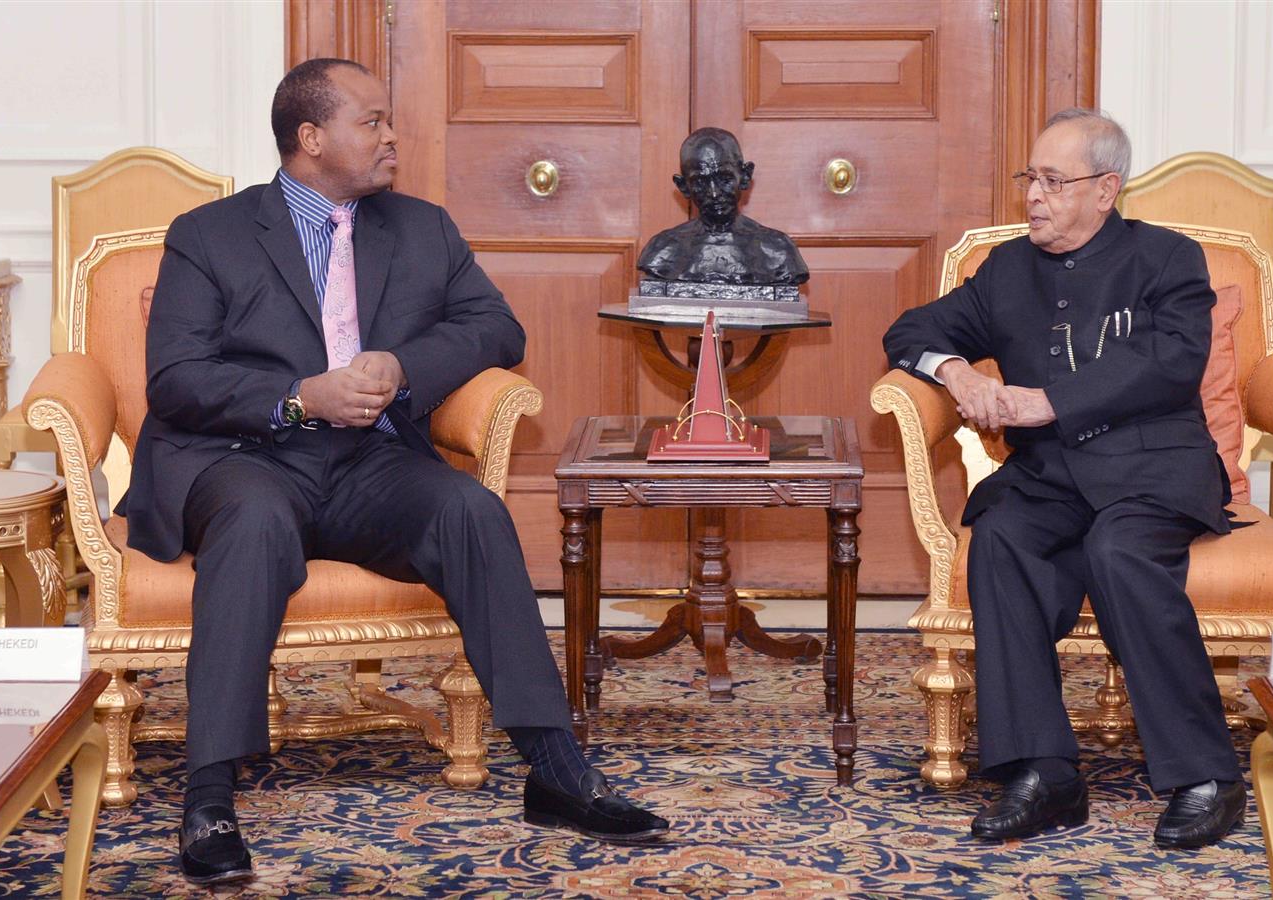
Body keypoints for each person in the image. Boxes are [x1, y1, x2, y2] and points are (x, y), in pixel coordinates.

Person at [120, 58, 668, 885]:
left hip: (369, 461)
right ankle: (209, 797)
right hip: (246, 457)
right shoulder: (210, 235)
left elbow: (497, 327)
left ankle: (555, 767)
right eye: (372, 121)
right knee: (256, 520)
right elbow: (176, 380)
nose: (390, 136)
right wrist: (302, 396)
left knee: (470, 511)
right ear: (311, 138)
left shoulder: (420, 228)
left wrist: (399, 368)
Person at [882, 108, 1246, 849]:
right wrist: (952, 369)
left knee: (1119, 549)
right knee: (1003, 537)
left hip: (1154, 470)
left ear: (1105, 189)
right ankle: (1043, 773)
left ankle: (1207, 777)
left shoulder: (1168, 259)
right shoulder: (1008, 270)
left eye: (1053, 181)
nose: (1034, 196)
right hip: (1049, 477)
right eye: (1030, 179)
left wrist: (1051, 401)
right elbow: (911, 330)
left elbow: (1173, 362)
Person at [637, 127, 808, 285]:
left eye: (724, 179)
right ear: (683, 187)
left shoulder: (777, 250)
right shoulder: (663, 250)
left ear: (745, 176)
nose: (713, 193)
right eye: (700, 182)